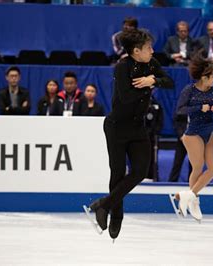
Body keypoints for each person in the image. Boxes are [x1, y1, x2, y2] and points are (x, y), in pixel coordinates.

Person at [87, 29, 174, 240]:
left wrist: (152, 80)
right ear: (136, 51)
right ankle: (117, 217)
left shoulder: (151, 64)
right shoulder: (122, 66)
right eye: (149, 48)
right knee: (117, 173)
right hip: (117, 127)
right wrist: (149, 83)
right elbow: (126, 97)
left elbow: (169, 82)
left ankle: (103, 204)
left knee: (140, 170)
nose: (153, 51)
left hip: (137, 128)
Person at [174, 53, 213, 221]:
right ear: (204, 77)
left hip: (209, 131)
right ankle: (194, 201)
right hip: (193, 132)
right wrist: (198, 108)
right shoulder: (189, 90)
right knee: (198, 167)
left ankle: (188, 196)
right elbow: (180, 110)